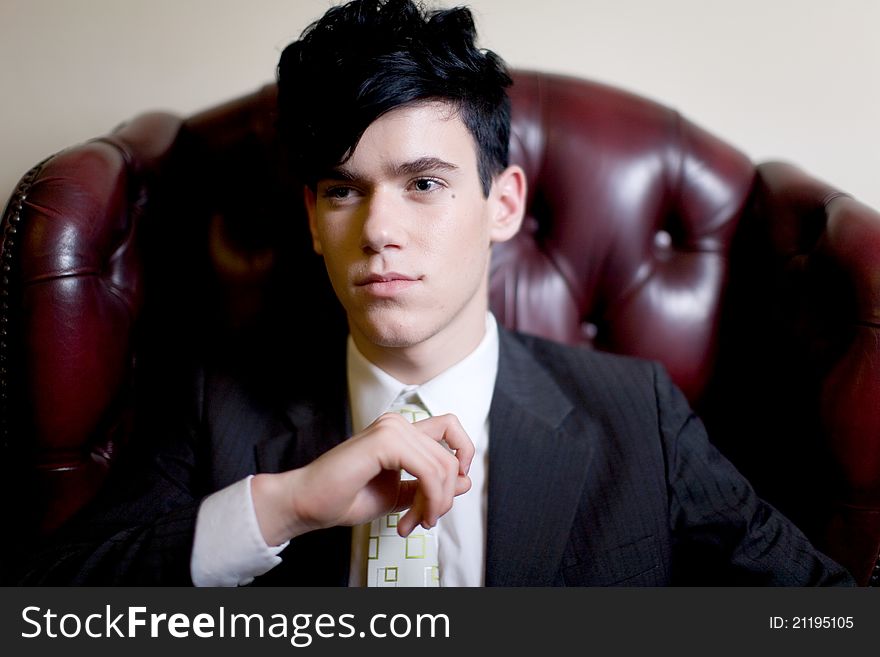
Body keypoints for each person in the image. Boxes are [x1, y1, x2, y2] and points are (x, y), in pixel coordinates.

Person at [18, 0, 853, 586]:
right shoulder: (219, 402)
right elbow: (51, 609)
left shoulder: (640, 416)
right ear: (312, 218)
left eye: (423, 183)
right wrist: (284, 506)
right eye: (344, 190)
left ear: (504, 204)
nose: (379, 228)